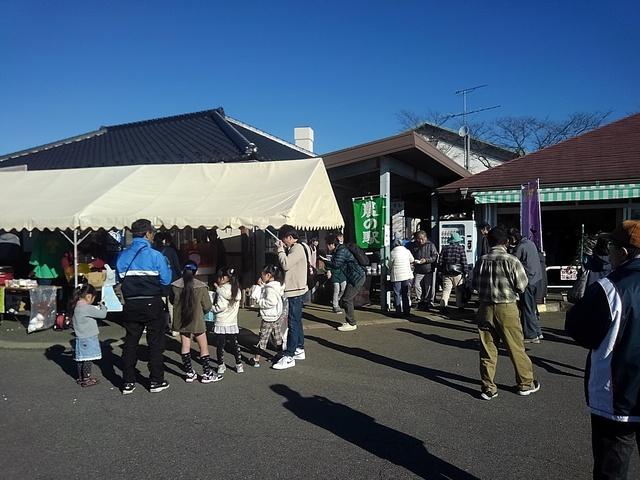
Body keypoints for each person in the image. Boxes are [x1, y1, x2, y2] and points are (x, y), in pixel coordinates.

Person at [565, 220, 640, 479]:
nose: (608, 252)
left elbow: (578, 329)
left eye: (611, 246)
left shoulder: (610, 287)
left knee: (613, 467)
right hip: (622, 393)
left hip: (617, 395)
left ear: (624, 252)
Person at [472, 227, 540, 400]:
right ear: (507, 242)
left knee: (487, 349)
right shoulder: (511, 260)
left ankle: (488, 387)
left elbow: (474, 285)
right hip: (507, 307)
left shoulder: (481, 260)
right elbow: (522, 285)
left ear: (489, 241)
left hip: (485, 307)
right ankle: (525, 383)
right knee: (515, 347)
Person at [116, 219, 172, 395]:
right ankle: (156, 380)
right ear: (148, 233)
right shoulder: (156, 255)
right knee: (155, 343)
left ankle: (128, 382)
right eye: (152, 233)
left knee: (131, 341)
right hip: (152, 301)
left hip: (131, 303)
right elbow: (166, 280)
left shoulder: (123, 255)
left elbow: (118, 276)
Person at [171, 261, 221, 384]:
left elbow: (172, 301)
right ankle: (207, 373)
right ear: (195, 271)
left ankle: (189, 373)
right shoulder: (201, 286)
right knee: (203, 346)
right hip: (197, 319)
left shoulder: (175, 286)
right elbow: (207, 306)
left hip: (181, 319)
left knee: (185, 345)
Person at [272, 225, 309, 370]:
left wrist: (280, 250)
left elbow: (286, 264)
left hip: (296, 290)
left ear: (288, 237)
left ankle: (289, 355)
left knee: (293, 322)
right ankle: (299, 348)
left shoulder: (297, 248)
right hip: (296, 289)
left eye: (283, 239)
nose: (282, 242)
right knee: (296, 321)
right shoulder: (296, 248)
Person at [508, 228, 544, 343]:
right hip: (536, 280)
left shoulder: (521, 247)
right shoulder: (530, 243)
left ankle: (531, 335)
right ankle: (537, 332)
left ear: (513, 237)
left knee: (527, 308)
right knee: (532, 308)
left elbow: (513, 261)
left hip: (527, 281)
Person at [324, 234, 366, 332]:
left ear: (331, 244)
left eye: (327, 245)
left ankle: (351, 323)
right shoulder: (339, 250)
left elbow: (336, 264)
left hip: (357, 277)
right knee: (346, 298)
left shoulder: (341, 250)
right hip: (354, 276)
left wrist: (324, 261)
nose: (327, 247)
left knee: (347, 299)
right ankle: (350, 322)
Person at [68, 283, 107, 387]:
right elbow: (103, 315)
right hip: (88, 337)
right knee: (88, 359)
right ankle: (86, 378)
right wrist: (103, 306)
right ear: (89, 296)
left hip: (81, 338)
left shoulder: (77, 306)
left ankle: (81, 378)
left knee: (81, 359)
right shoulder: (86, 308)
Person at [249, 264, 285, 367]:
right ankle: (280, 355)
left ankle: (256, 359)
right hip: (276, 315)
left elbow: (270, 301)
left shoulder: (270, 288)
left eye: (263, 275)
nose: (261, 277)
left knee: (263, 338)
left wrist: (260, 302)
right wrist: (262, 285)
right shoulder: (276, 285)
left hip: (268, 316)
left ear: (268, 275)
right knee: (277, 337)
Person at [212, 267, 243, 374]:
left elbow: (220, 306)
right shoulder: (236, 289)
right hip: (232, 322)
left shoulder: (222, 290)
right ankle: (239, 364)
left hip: (221, 322)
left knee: (220, 345)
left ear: (225, 278)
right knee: (234, 344)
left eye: (219, 276)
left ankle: (221, 365)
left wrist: (212, 308)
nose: (218, 279)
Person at [438, 232, 468, 312]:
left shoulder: (444, 248)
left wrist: (440, 271)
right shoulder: (460, 248)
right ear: (457, 241)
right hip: (458, 273)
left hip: (446, 272)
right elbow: (464, 261)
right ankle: (460, 307)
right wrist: (466, 271)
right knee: (459, 291)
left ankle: (443, 306)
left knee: (446, 290)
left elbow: (440, 261)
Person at [409, 231, 438, 310]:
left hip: (428, 269)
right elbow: (411, 255)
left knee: (428, 286)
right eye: (418, 239)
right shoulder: (414, 245)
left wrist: (426, 260)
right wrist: (413, 262)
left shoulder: (431, 245)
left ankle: (427, 301)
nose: (420, 241)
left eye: (422, 239)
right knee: (416, 285)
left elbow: (435, 256)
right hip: (418, 269)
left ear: (425, 238)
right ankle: (420, 299)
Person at [389, 238, 415, 318]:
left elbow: (389, 264)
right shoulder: (407, 251)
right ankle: (407, 311)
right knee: (405, 294)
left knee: (397, 294)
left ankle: (398, 312)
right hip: (406, 275)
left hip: (396, 276)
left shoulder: (393, 252)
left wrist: (390, 269)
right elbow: (412, 260)